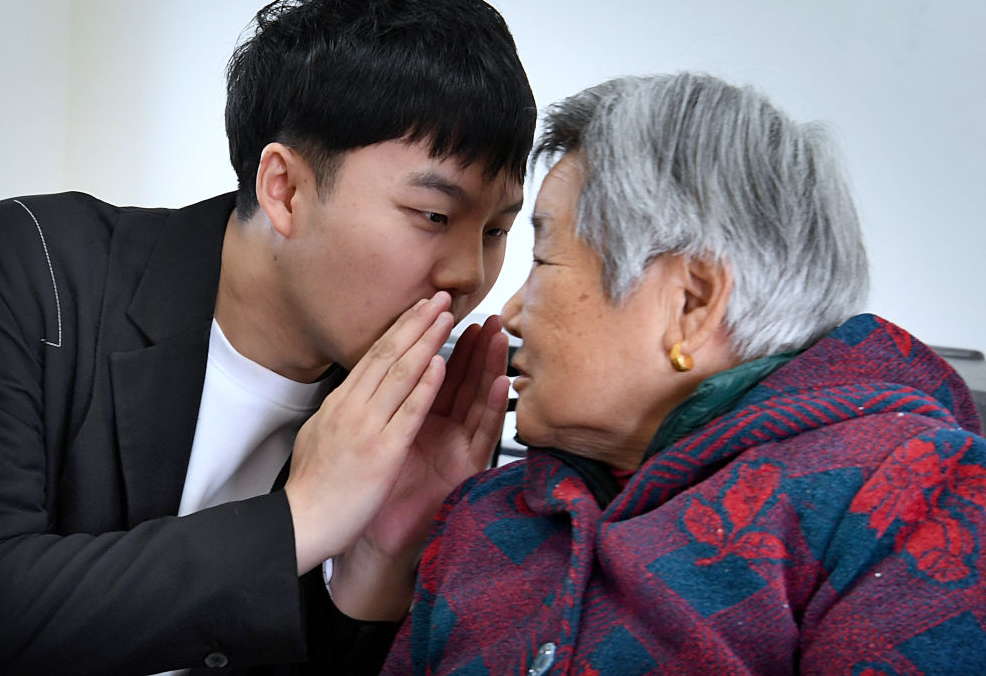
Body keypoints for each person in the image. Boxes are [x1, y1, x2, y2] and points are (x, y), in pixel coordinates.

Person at [0, 0, 535, 673]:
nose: (469, 274)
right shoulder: (29, 267)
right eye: (434, 215)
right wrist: (303, 518)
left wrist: (376, 568)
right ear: (284, 189)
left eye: (496, 230)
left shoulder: (422, 417)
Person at [382, 73, 986, 674]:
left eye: (543, 259)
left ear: (691, 305)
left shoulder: (915, 496)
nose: (512, 312)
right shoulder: (485, 514)